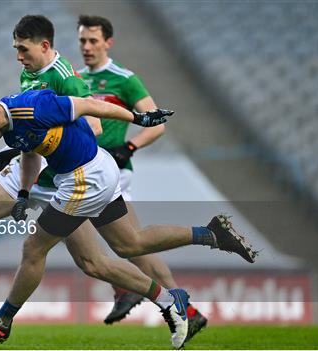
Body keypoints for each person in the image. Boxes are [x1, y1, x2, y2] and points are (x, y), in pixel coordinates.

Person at [0, 88, 257, 349]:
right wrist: (22, 193)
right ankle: (212, 235)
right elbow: (30, 154)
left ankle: (2, 321)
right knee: (128, 244)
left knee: (35, 249)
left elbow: (88, 105)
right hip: (97, 169)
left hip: (84, 180)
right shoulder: (10, 126)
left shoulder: (33, 107)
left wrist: (138, 118)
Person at [75, 15, 210, 332]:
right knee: (133, 246)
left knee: (117, 241)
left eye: (93, 40)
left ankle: (127, 289)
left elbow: (156, 123)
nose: (86, 46)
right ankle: (184, 309)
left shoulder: (124, 79)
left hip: (112, 171)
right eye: (82, 40)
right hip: (90, 169)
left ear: (108, 42)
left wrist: (130, 147)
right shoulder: (77, 78)